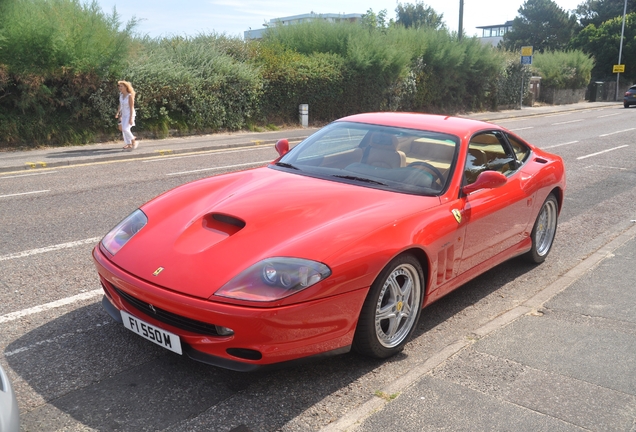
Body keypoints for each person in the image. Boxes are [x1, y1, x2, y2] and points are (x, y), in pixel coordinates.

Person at [115, 81, 137, 151]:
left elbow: (131, 107)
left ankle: (133, 140)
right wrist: (118, 113)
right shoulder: (121, 95)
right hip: (123, 114)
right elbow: (120, 104)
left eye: (121, 86)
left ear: (126, 87)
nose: (120, 87)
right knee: (123, 129)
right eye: (119, 86)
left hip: (130, 114)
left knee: (125, 129)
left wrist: (130, 118)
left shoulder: (130, 96)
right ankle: (128, 144)